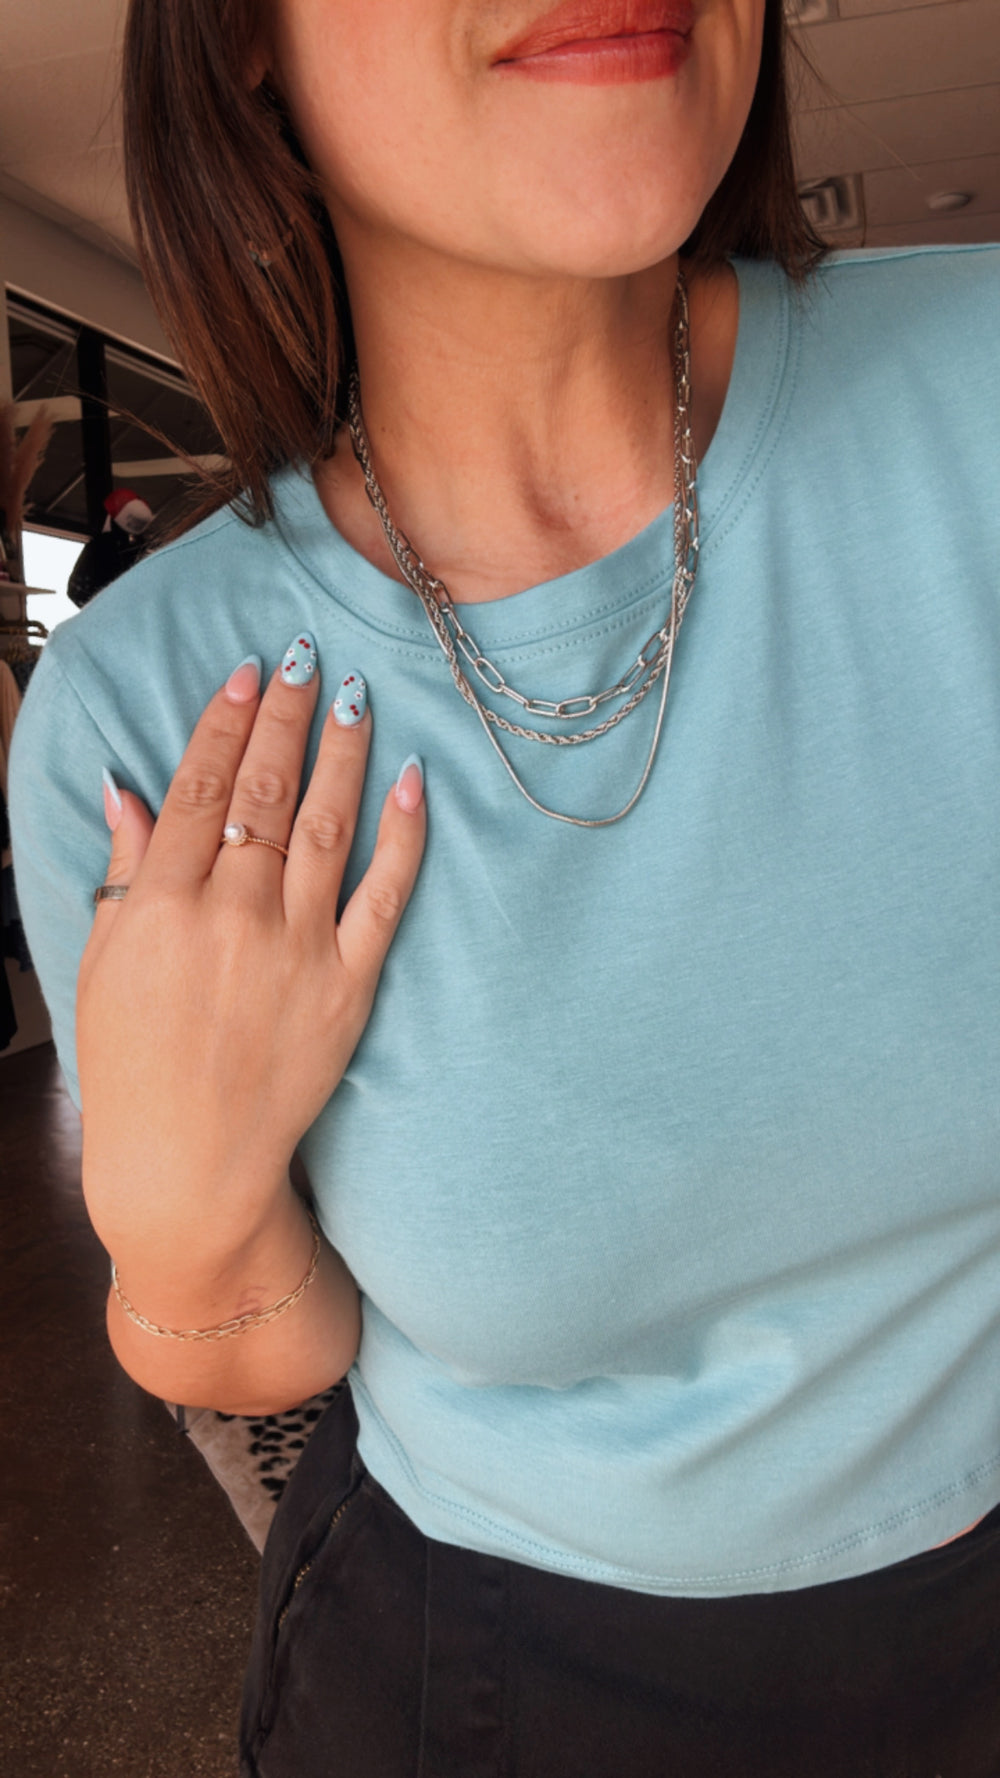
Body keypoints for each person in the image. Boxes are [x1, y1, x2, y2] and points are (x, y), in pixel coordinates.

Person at [8, 0, 1000, 1770]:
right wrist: (178, 1217)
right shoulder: (154, 712)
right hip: (507, 1677)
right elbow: (253, 1359)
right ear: (245, 38)